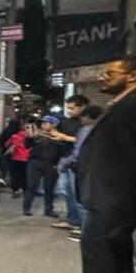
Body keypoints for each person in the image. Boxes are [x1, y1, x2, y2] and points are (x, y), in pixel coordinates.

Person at [68, 56, 136, 273]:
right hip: (117, 191)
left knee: (97, 244)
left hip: (119, 191)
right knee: (116, 248)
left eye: (110, 73)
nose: (102, 77)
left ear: (133, 76)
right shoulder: (127, 102)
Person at [55, 105, 103, 242]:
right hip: (98, 169)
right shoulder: (104, 129)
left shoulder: (86, 130)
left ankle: (84, 230)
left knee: (81, 200)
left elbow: (78, 153)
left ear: (87, 117)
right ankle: (80, 224)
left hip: (83, 169)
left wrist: (63, 164)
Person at [49, 95, 89, 229]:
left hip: (78, 162)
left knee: (77, 193)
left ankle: (83, 225)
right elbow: (59, 138)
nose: (69, 111)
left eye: (72, 108)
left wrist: (66, 138)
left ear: (83, 107)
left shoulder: (87, 123)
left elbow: (87, 140)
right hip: (64, 159)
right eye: (67, 108)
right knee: (64, 191)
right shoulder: (66, 122)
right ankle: (72, 220)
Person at [22, 115, 63, 217]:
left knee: (49, 187)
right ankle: (26, 208)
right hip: (35, 161)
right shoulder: (36, 135)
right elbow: (27, 146)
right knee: (31, 186)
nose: (43, 125)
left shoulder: (59, 136)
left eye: (46, 123)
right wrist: (28, 138)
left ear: (54, 124)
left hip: (51, 163)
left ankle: (49, 209)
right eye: (42, 123)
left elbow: (62, 150)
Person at [4, 121, 29, 198]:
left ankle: (15, 191)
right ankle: (25, 191)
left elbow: (6, 145)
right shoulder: (28, 137)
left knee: (15, 175)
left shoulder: (14, 136)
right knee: (25, 175)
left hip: (15, 158)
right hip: (26, 159)